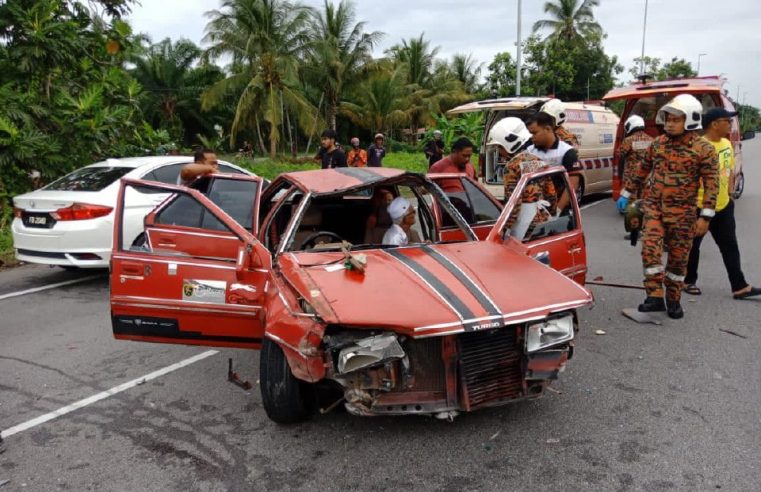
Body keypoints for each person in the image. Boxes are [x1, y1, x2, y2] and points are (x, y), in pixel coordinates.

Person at [616, 94, 719, 319]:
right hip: (654, 209)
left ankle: (673, 300)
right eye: (668, 119)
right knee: (650, 250)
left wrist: (706, 217)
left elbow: (712, 185)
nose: (669, 124)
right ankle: (654, 296)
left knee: (678, 259)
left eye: (675, 120)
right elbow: (642, 170)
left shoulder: (704, 150)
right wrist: (625, 193)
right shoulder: (658, 143)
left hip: (684, 214)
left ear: (690, 120)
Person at [683, 107, 761, 300]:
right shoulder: (697, 146)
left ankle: (739, 286)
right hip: (700, 206)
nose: (730, 124)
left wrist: (730, 196)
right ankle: (687, 280)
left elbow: (728, 171)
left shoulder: (726, 143)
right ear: (714, 124)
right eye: (727, 121)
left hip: (724, 206)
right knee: (692, 246)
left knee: (730, 246)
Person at [487, 117, 556, 239]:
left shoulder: (512, 166)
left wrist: (504, 227)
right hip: (542, 219)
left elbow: (513, 203)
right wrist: (553, 213)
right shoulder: (538, 161)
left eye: (500, 147)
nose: (499, 151)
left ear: (509, 144)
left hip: (524, 224)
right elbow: (551, 193)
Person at [526, 112, 583, 212]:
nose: (532, 137)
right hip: (534, 211)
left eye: (534, 133)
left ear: (547, 129)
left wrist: (558, 210)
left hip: (560, 210)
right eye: (530, 134)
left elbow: (573, 184)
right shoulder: (529, 151)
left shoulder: (566, 152)